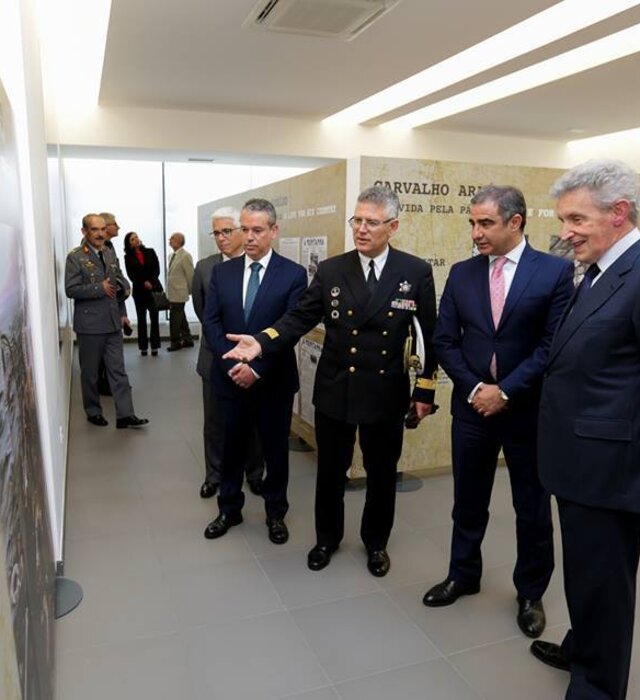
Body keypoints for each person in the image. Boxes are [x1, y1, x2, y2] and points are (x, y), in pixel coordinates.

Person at [222, 185, 438, 577]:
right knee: (330, 472)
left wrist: (425, 387)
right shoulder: (333, 270)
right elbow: (299, 317)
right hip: (337, 387)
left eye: (372, 222)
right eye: (357, 220)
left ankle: (376, 542)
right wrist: (263, 341)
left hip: (385, 390)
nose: (362, 229)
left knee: (381, 474)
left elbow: (429, 334)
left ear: (393, 226)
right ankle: (327, 538)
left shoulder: (415, 271)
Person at [422, 185, 573, 638]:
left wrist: (505, 391)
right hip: (472, 409)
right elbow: (444, 339)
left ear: (515, 222)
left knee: (531, 507)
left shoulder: (554, 272)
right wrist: (475, 390)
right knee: (468, 500)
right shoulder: (462, 273)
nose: (476, 232)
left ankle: (530, 592)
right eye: (472, 223)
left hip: (527, 410)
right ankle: (463, 574)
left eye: (485, 223)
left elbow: (552, 344)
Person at [529, 159, 640, 700]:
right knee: (586, 577)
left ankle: (596, 687)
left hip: (610, 471)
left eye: (576, 219)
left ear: (619, 213)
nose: (565, 232)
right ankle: (582, 650)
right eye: (562, 219)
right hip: (580, 463)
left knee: (603, 587)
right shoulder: (600, 270)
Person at [203, 198, 307, 544]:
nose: (249, 237)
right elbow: (212, 323)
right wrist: (234, 364)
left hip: (273, 380)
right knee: (230, 447)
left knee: (275, 452)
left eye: (257, 230)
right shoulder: (223, 272)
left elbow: (290, 328)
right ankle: (229, 509)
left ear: (274, 231)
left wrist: (257, 367)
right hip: (229, 378)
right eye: (244, 229)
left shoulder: (293, 274)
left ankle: (275, 513)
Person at [192, 207, 265, 499]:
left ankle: (254, 473)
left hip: (254, 359)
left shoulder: (258, 265)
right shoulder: (205, 267)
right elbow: (203, 312)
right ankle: (214, 475)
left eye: (226, 231)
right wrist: (224, 349)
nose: (221, 238)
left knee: (254, 420)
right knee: (215, 421)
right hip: (214, 356)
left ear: (242, 231)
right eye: (216, 233)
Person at [65, 214, 149, 429]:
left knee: (118, 370)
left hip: (112, 322)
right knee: (91, 373)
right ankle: (93, 411)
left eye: (103, 229)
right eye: (95, 229)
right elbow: (71, 289)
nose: (100, 234)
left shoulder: (109, 253)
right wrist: (98, 288)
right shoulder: (75, 257)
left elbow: (119, 280)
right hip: (90, 325)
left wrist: (123, 302)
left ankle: (125, 414)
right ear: (84, 232)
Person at [123, 231, 162, 356]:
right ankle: (143, 347)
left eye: (136, 237)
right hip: (139, 291)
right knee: (141, 319)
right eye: (132, 239)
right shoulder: (128, 257)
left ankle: (155, 346)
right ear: (129, 244)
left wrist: (151, 281)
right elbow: (131, 275)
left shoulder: (150, 251)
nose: (136, 240)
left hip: (152, 289)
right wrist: (143, 282)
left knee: (154, 317)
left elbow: (157, 269)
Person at [96, 211, 122, 395]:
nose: (118, 226)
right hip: (100, 309)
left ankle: (108, 382)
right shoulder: (93, 250)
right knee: (100, 352)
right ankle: (102, 384)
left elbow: (117, 275)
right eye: (114, 223)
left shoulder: (109, 247)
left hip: (112, 306)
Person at [166, 232, 194, 351]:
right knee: (180, 316)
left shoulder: (185, 256)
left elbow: (190, 275)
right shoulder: (171, 256)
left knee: (174, 318)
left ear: (179, 241)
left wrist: (190, 291)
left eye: (172, 238)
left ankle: (175, 342)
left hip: (180, 292)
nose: (169, 240)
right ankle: (187, 339)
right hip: (172, 292)